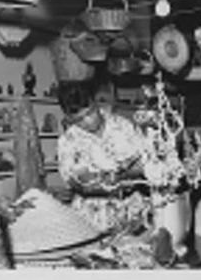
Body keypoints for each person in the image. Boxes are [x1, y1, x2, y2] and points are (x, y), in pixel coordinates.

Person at [56, 79, 149, 232]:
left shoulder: (122, 126)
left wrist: (125, 175)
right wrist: (102, 183)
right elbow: (74, 182)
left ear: (95, 102)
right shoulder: (68, 142)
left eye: (90, 112)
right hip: (92, 221)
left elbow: (145, 161)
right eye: (79, 119)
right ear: (68, 117)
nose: (88, 121)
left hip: (133, 213)